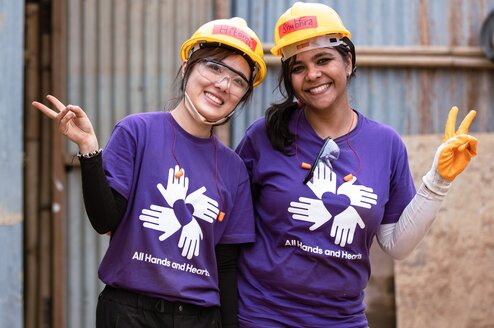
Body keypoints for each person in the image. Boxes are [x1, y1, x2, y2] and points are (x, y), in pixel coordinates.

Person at [234, 2, 478, 327]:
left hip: (342, 320)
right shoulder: (264, 137)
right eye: (298, 67)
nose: (313, 75)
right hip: (263, 317)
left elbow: (396, 244)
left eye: (323, 60)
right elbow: (229, 228)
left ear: (347, 62)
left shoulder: (385, 143)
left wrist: (438, 181)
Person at [32, 17, 266, 328]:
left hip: (198, 318)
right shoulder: (137, 131)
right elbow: (105, 221)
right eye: (214, 67)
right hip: (128, 313)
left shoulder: (233, 168)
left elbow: (225, 264)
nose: (223, 85)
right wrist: (89, 148)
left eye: (238, 80)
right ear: (187, 68)